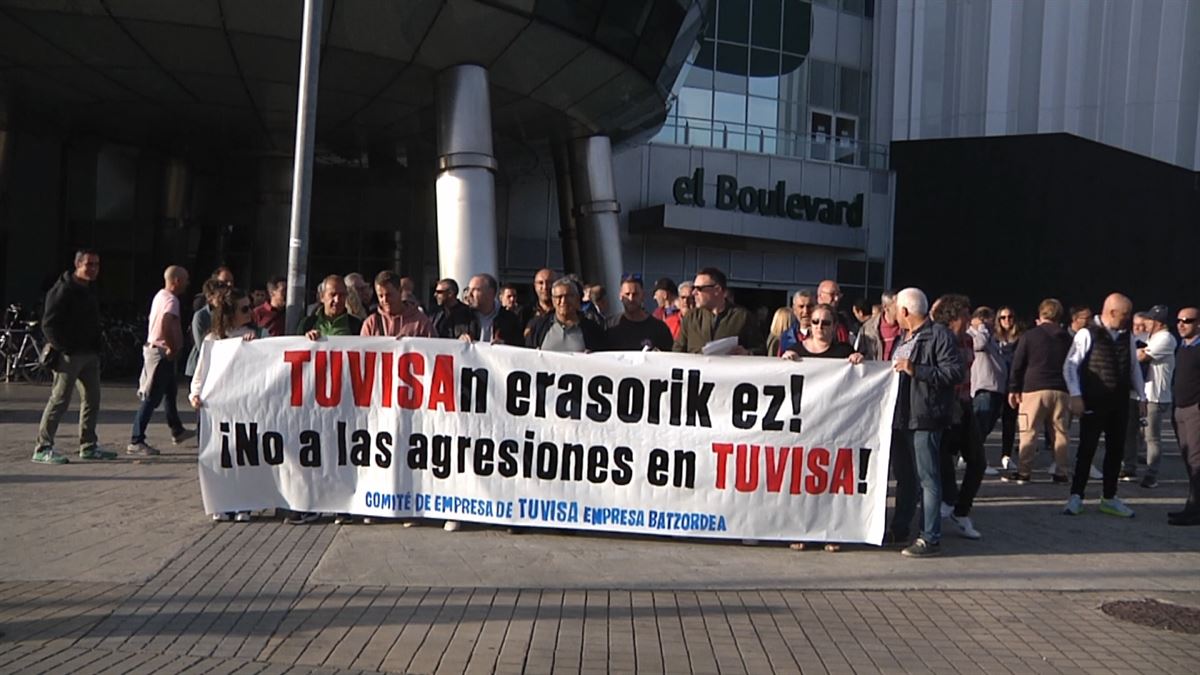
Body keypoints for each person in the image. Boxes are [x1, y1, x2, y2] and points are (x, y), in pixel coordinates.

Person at [780, 303, 864, 551]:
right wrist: (784, 363)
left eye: (825, 323)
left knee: (831, 481)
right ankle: (800, 530)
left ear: (835, 326)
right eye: (814, 322)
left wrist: (859, 362)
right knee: (802, 480)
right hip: (804, 427)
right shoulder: (795, 350)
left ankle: (832, 531)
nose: (819, 327)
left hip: (835, 427)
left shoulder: (843, 351)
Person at [888, 287, 964, 558]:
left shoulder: (939, 335)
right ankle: (900, 528)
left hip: (925, 417)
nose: (894, 313)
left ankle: (930, 537)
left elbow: (955, 371)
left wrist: (917, 370)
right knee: (905, 478)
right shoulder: (904, 336)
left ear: (905, 311)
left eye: (896, 308)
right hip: (902, 417)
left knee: (928, 479)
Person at [1062, 293, 1145, 517]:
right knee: (1087, 448)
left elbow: (1133, 367)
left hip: (1119, 402)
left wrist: (1142, 396)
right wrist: (1076, 395)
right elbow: (1070, 365)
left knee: (1115, 450)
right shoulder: (1087, 334)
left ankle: (1109, 497)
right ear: (1112, 312)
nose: (1127, 319)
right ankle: (1076, 496)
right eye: (1125, 315)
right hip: (1094, 400)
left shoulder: (1127, 336)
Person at [188, 286, 259, 522]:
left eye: (251, 307)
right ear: (230, 312)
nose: (250, 312)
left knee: (244, 454)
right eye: (245, 308)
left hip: (246, 407)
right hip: (218, 409)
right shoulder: (213, 340)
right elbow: (202, 372)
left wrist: (255, 344)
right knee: (218, 455)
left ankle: (244, 503)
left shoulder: (258, 335)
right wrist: (195, 394)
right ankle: (220, 501)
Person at [32, 250, 106, 464]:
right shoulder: (63, 289)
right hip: (69, 355)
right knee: (60, 399)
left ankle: (88, 445)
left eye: (96, 265)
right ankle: (43, 446)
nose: (93, 269)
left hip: (89, 353)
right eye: (89, 264)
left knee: (92, 399)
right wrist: (64, 347)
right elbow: (48, 324)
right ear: (78, 265)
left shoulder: (91, 289)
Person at [929, 294, 986, 540]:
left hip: (964, 403)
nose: (969, 319)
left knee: (978, 461)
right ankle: (948, 503)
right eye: (965, 314)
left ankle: (961, 511)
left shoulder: (968, 341)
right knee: (943, 458)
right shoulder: (938, 337)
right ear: (953, 316)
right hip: (943, 406)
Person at [1004, 299, 1072, 484]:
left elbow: (1018, 364)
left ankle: (1024, 472)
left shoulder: (1030, 336)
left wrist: (1013, 388)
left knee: (1029, 431)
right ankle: (1061, 471)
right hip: (1061, 389)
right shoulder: (1067, 338)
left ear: (1041, 314)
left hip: (1034, 388)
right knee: (1060, 432)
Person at [128, 265, 193, 456]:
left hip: (156, 349)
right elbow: (166, 322)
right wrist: (172, 346)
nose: (188, 283)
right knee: (152, 397)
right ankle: (136, 438)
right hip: (161, 352)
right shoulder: (172, 300)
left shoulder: (160, 296)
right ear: (177, 281)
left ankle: (177, 429)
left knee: (169, 391)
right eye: (186, 279)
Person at [673, 268, 763, 355]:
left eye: (699, 289)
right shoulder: (691, 318)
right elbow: (677, 352)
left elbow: (761, 350)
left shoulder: (742, 317)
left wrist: (747, 353)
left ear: (717, 290)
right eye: (694, 288)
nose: (694, 293)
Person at [1134, 305, 1176, 488]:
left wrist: (1135, 351)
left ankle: (1151, 475)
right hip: (1146, 394)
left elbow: (1142, 357)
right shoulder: (1153, 337)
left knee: (1153, 438)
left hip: (1156, 396)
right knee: (1142, 435)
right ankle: (1140, 464)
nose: (1145, 323)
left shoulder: (1165, 338)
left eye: (1149, 320)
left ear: (1158, 322)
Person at [1168, 307, 1200, 526]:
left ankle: (1196, 510)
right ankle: (1192, 506)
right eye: (1179, 320)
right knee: (1189, 460)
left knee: (1197, 460)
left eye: (1187, 321)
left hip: (1195, 410)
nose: (1181, 324)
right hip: (1179, 409)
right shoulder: (1182, 348)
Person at [968, 306, 1006, 473]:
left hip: (996, 387)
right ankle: (974, 458)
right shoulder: (973, 335)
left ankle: (970, 455)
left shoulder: (991, 337)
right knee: (979, 426)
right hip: (983, 387)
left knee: (987, 425)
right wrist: (981, 328)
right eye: (991, 321)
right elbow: (979, 344)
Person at [528, 278, 605, 352]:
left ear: (577, 299)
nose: (563, 301)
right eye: (559, 297)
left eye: (569, 296)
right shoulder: (539, 327)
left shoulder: (593, 330)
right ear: (553, 301)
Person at [604, 277, 673, 352]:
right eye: (627, 294)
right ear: (621, 296)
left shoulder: (659, 328)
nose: (631, 299)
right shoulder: (610, 326)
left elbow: (668, 358)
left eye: (635, 294)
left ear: (643, 296)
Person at [994, 306, 1023, 471]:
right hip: (996, 384)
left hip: (1012, 385)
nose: (1007, 321)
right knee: (987, 421)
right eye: (1003, 317)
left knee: (1010, 422)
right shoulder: (993, 339)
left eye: (1010, 317)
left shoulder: (1020, 339)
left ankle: (1006, 455)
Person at [361, 271, 434, 338]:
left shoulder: (421, 323)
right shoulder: (371, 323)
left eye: (389, 295)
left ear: (400, 291)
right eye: (381, 296)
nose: (385, 300)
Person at [463, 273, 524, 346]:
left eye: (475, 290)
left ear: (490, 293)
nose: (469, 294)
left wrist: (505, 344)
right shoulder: (461, 317)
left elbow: (520, 346)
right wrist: (458, 340)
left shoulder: (510, 319)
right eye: (469, 290)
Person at [185, 278, 228, 380]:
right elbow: (201, 345)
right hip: (199, 365)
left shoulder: (226, 314)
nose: (224, 301)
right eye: (220, 297)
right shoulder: (200, 316)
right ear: (210, 298)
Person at [298, 274, 364, 338]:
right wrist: (306, 339)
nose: (337, 300)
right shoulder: (307, 324)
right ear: (322, 297)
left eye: (341, 295)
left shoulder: (357, 325)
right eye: (332, 295)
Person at [856, 290, 901, 361]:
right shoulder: (868, 329)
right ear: (886, 307)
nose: (902, 309)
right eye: (898, 306)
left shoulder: (908, 327)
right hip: (876, 370)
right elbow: (861, 354)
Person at [522, 268, 557, 340]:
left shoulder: (566, 313)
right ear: (535, 286)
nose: (545, 287)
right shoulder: (525, 313)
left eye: (549, 282)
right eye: (540, 283)